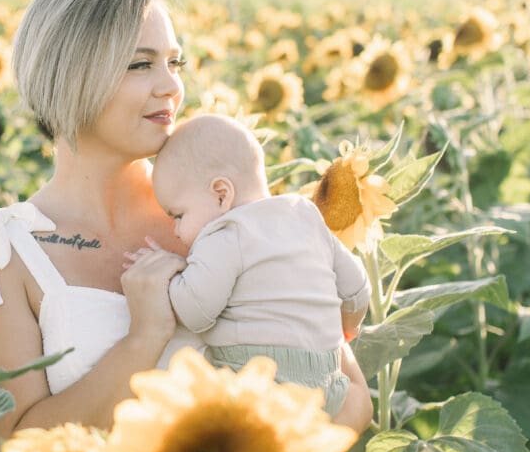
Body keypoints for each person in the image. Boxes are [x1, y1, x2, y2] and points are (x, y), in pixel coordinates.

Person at [0, 0, 373, 452]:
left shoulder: (224, 207)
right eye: (141, 64)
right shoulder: (5, 255)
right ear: (69, 76)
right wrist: (143, 339)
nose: (171, 86)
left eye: (175, 62)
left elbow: (350, 393)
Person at [122, 113, 370, 421]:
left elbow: (196, 312)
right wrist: (349, 324)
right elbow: (357, 286)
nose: (175, 231)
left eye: (178, 215)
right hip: (330, 386)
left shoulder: (226, 234)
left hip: (263, 382)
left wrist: (168, 274)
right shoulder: (305, 214)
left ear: (221, 194)